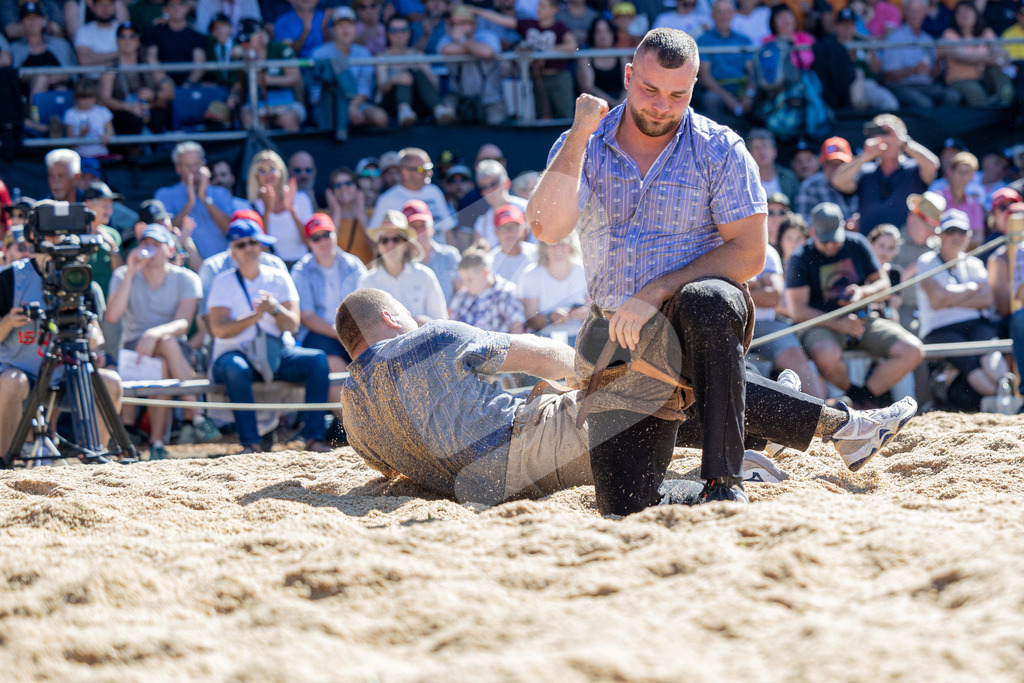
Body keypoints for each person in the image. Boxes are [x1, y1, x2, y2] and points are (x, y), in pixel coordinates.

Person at [336, 288, 918, 507]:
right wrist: (593, 378)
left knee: (634, 410)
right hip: (530, 444)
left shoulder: (352, 406)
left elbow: (390, 467)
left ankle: (767, 420)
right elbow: (541, 353)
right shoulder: (430, 337)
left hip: (491, 486)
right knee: (659, 375)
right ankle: (840, 426)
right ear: (392, 317)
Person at [526, 27, 770, 512]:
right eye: (650, 90)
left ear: (694, 88)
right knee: (624, 503)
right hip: (615, 334)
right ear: (629, 75)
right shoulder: (585, 143)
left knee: (710, 299)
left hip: (690, 315)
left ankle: (725, 479)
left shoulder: (719, 147)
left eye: (678, 94)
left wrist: (656, 291)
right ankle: (761, 409)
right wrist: (579, 133)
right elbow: (546, 228)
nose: (662, 105)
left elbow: (749, 254)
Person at [0, 206, 124, 460]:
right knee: (12, 381)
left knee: (111, 382)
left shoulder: (78, 276)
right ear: (34, 234)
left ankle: (96, 461)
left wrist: (92, 339)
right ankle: (4, 463)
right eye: (52, 232)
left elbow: (95, 334)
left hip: (67, 376)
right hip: (23, 375)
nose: (58, 238)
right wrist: (9, 322)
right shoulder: (10, 278)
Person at [207, 217, 330, 454]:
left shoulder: (279, 276)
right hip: (234, 352)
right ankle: (250, 444)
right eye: (241, 245)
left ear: (262, 245)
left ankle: (314, 438)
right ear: (232, 252)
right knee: (235, 368)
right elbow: (219, 329)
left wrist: (273, 309)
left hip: (275, 351)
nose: (249, 249)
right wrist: (255, 316)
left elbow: (292, 324)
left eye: (253, 242)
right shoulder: (222, 282)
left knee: (317, 360)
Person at [785, 202, 924, 409]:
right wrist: (839, 324)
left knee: (913, 350)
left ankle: (862, 398)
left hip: (864, 319)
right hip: (821, 325)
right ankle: (856, 396)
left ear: (842, 227)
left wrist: (862, 292)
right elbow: (797, 311)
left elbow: (883, 284)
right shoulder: (800, 257)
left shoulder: (857, 243)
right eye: (825, 241)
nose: (831, 245)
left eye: (834, 239)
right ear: (812, 232)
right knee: (825, 353)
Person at [106, 224, 218, 459]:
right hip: (134, 350)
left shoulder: (187, 278)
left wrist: (153, 335)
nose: (149, 249)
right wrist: (130, 272)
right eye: (145, 243)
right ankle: (191, 419)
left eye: (156, 244)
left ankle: (159, 440)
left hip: (175, 348)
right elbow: (112, 316)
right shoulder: (123, 274)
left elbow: (183, 325)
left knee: (165, 346)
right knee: (164, 354)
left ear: (169, 249)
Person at [916, 209, 1008, 409]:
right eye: (951, 231)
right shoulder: (926, 261)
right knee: (970, 362)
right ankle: (1006, 399)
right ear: (940, 234)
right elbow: (936, 300)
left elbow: (987, 299)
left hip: (974, 323)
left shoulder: (973, 263)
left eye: (961, 231)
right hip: (940, 328)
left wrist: (950, 297)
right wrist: (970, 289)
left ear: (968, 235)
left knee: (990, 350)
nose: (956, 236)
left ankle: (1005, 393)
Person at [289, 213, 365, 408]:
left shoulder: (354, 264)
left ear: (335, 234)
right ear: (309, 242)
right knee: (334, 367)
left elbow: (365, 304)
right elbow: (306, 317)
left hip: (352, 331)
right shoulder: (301, 270)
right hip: (318, 334)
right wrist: (339, 332)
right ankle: (351, 429)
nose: (322, 241)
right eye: (316, 237)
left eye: (326, 234)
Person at [829, 113, 940, 234]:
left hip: (904, 246)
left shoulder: (913, 169)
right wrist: (865, 156)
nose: (885, 140)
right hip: (870, 245)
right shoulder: (866, 171)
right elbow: (838, 181)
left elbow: (933, 166)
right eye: (879, 133)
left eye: (889, 134)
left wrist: (904, 142)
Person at [748, 242, 826, 399]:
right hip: (726, 325)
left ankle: (822, 412)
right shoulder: (711, 245)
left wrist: (738, 286)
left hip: (767, 325)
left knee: (795, 355)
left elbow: (774, 297)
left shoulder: (767, 252)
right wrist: (758, 285)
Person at [354, 209, 448, 324]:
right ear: (378, 247)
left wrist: (424, 325)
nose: (390, 245)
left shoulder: (425, 276)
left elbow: (441, 320)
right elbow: (364, 326)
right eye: (384, 240)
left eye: (396, 239)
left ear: (406, 245)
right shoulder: (367, 283)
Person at [309, 6, 389, 138]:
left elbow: (365, 87)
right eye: (340, 26)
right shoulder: (319, 54)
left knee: (380, 117)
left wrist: (352, 107)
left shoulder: (364, 52)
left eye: (349, 25)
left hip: (357, 103)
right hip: (328, 104)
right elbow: (316, 92)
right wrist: (342, 108)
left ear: (355, 28)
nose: (345, 30)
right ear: (333, 30)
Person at [155, 141, 235, 259]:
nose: (193, 170)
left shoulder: (221, 193)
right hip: (186, 267)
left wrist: (205, 198)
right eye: (188, 165)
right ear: (178, 168)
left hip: (221, 265)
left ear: (203, 165)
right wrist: (190, 204)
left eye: (197, 164)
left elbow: (230, 229)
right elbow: (165, 232)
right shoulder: (165, 194)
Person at [375, 14, 453, 127]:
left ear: (409, 32)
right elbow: (381, 88)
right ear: (387, 33)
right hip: (392, 105)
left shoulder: (419, 55)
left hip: (419, 104)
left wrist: (420, 71)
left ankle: (439, 110)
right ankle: (404, 110)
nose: (399, 34)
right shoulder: (381, 57)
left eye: (404, 30)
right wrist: (396, 79)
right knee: (405, 76)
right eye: (394, 30)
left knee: (415, 72)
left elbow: (435, 86)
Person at [100, 21, 173, 139]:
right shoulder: (111, 65)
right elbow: (105, 98)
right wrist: (128, 107)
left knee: (158, 119)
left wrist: (153, 96)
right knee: (130, 122)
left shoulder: (150, 61)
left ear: (138, 40)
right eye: (122, 36)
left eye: (132, 36)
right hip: (123, 112)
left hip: (151, 108)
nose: (127, 41)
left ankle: (158, 153)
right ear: (117, 41)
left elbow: (169, 91)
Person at [880, 0, 958, 109]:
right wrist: (913, 70)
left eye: (918, 11)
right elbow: (888, 76)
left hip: (925, 85)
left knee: (952, 97)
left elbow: (932, 75)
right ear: (905, 12)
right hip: (901, 87)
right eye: (912, 11)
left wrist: (938, 60)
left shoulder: (927, 39)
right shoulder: (894, 38)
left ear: (924, 13)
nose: (915, 15)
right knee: (925, 104)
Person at [436, 5, 506, 125]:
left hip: (489, 100)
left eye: (463, 23)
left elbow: (487, 52)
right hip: (460, 99)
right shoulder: (446, 39)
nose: (457, 28)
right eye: (454, 24)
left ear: (474, 25)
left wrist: (462, 40)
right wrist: (471, 48)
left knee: (496, 126)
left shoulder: (487, 36)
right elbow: (446, 50)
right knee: (445, 112)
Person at [369, 148, 453, 242]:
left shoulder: (434, 192)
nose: (429, 173)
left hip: (439, 255)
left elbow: (447, 229)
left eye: (430, 168)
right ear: (405, 172)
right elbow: (374, 238)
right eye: (422, 169)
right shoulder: (387, 200)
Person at [246, 149, 314, 266]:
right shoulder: (253, 206)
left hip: (303, 266)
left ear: (281, 171)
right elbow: (262, 246)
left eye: (272, 169)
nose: (268, 174)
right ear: (256, 177)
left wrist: (291, 210)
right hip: (274, 268)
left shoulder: (301, 198)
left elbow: (310, 241)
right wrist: (267, 211)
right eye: (262, 171)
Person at [519, 232, 590, 344]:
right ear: (544, 248)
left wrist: (585, 315)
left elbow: (595, 313)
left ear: (570, 245)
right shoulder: (531, 275)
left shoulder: (584, 270)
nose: (558, 248)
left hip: (581, 338)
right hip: (544, 340)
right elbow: (530, 321)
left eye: (563, 244)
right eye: (552, 244)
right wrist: (551, 318)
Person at [940, 1, 1013, 107]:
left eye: (968, 12)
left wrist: (996, 58)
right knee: (977, 96)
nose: (964, 16)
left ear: (975, 14)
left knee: (998, 73)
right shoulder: (949, 34)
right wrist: (991, 59)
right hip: (960, 78)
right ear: (954, 16)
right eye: (960, 13)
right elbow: (963, 57)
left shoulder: (985, 32)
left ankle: (1004, 100)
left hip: (983, 76)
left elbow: (1002, 51)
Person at [695, 0, 754, 120]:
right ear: (712, 15)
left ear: (733, 13)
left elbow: (752, 73)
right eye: (719, 12)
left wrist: (749, 94)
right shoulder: (704, 40)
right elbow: (705, 77)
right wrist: (728, 98)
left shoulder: (744, 40)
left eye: (727, 12)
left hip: (741, 88)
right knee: (711, 99)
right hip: (717, 90)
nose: (724, 16)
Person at [448, 245, 526, 334]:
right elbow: (452, 327)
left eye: (469, 280)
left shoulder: (506, 292)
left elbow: (517, 325)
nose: (465, 284)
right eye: (463, 280)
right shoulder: (462, 297)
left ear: (485, 273)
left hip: (500, 346)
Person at [402, 199, 460, 306]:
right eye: (413, 227)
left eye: (423, 225)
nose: (419, 231)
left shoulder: (450, 256)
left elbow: (462, 293)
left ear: (432, 227)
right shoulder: (399, 264)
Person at [143, 0, 207, 87]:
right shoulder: (154, 31)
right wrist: (164, 80)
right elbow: (151, 57)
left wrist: (188, 84)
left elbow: (199, 65)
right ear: (165, 9)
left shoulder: (196, 35)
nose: (177, 8)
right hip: (161, 84)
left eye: (181, 4)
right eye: (172, 5)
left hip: (189, 86)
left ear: (187, 8)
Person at [795, 136, 859, 222]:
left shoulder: (862, 180)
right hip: (828, 235)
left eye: (840, 163)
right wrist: (839, 227)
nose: (835, 168)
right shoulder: (810, 187)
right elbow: (802, 222)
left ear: (850, 163)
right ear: (822, 164)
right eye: (830, 163)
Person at [473, 159, 531, 248]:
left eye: (493, 184)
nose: (490, 191)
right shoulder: (481, 223)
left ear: (506, 183)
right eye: (484, 187)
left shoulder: (528, 208)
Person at [324, 167, 373, 265]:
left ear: (357, 188)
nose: (343, 188)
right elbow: (326, 250)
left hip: (367, 276)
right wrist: (336, 213)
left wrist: (361, 215)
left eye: (348, 183)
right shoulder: (324, 217)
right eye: (337, 185)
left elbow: (377, 249)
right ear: (331, 192)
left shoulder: (372, 214)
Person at [577, 17, 628, 109]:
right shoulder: (585, 57)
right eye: (598, 32)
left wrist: (621, 104)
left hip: (622, 104)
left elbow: (629, 83)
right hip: (594, 106)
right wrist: (613, 103)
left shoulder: (621, 56)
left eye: (607, 31)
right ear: (592, 34)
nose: (603, 35)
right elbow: (588, 87)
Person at [63, 79, 114, 159]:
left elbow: (110, 131)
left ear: (95, 97)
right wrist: (82, 134)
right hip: (80, 156)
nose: (86, 102)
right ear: (76, 98)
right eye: (83, 98)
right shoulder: (70, 114)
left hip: (102, 154)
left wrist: (106, 136)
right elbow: (70, 140)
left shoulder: (103, 111)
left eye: (89, 98)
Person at [747, 128, 799, 206]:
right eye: (756, 148)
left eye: (765, 146)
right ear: (749, 154)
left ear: (774, 151)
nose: (762, 151)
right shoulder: (745, 180)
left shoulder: (789, 177)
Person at [488, 204, 538, 286]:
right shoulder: (489, 263)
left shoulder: (538, 254)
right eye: (504, 228)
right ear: (496, 232)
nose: (509, 232)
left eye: (514, 227)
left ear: (524, 229)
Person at [74, 0, 119, 66]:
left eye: (108, 4)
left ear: (114, 7)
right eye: (101, 5)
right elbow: (84, 60)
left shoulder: (123, 29)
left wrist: (96, 57)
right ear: (93, 8)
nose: (105, 8)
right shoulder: (84, 31)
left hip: (121, 75)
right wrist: (118, 54)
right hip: (92, 76)